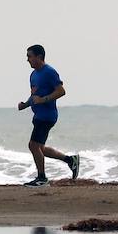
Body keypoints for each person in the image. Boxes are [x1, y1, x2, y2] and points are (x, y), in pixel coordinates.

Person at [17, 44, 79, 187]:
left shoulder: (49, 72)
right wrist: (25, 104)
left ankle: (42, 178)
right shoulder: (33, 75)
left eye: (29, 56)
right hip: (38, 115)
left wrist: (44, 100)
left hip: (47, 116)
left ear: (39, 57)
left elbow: (61, 91)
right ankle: (70, 160)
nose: (28, 60)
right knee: (40, 148)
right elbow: (35, 96)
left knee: (33, 145)